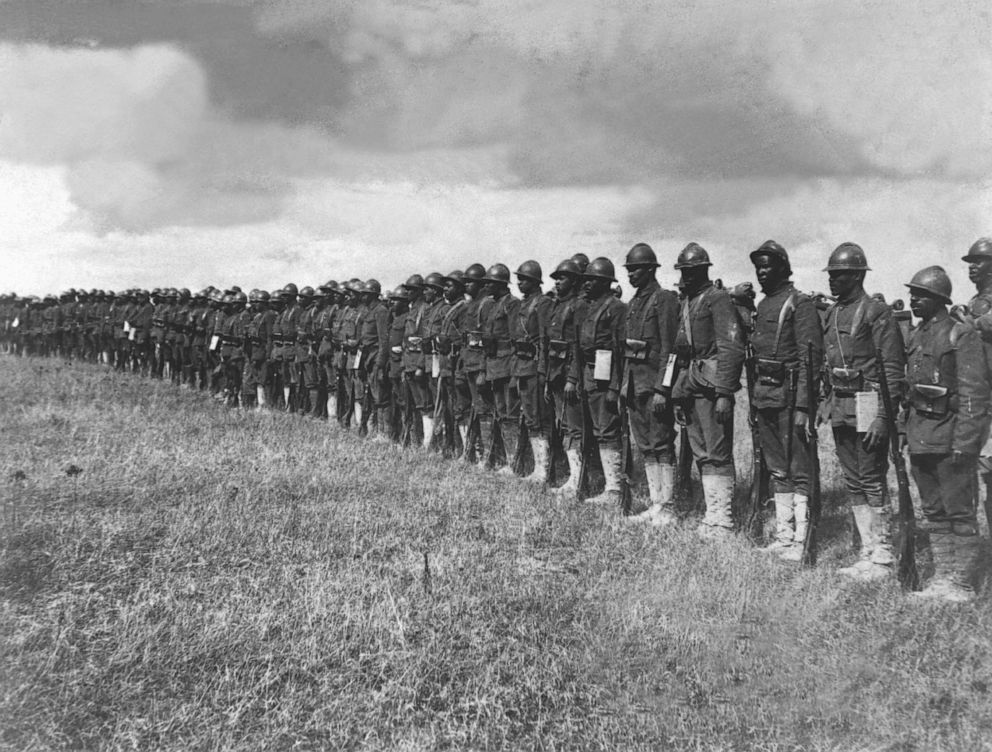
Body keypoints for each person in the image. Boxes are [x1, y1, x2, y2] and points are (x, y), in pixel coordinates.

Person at [820, 243, 906, 581]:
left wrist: (884, 416)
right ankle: (867, 550)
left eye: (839, 275)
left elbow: (892, 368)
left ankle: (883, 554)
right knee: (852, 477)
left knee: (871, 475)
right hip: (841, 400)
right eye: (831, 275)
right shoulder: (832, 313)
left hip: (868, 399)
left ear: (857, 275)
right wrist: (826, 402)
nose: (833, 281)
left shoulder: (875, 313)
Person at [903, 266, 988, 602]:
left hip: (951, 438)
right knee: (934, 511)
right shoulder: (917, 335)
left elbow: (973, 394)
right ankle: (943, 577)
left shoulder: (960, 335)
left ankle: (963, 583)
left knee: (959, 511)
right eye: (912, 293)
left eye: (920, 294)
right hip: (921, 436)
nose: (913, 299)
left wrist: (966, 443)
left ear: (939, 299)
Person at [747, 240, 824, 559]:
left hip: (791, 399)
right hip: (765, 396)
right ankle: (785, 534)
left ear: (782, 267)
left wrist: (805, 407)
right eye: (758, 267)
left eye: (767, 266)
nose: (762, 272)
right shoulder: (764, 305)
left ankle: (802, 539)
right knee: (777, 468)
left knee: (799, 468)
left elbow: (811, 360)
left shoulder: (799, 304)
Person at [671, 243, 746, 539]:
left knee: (718, 451)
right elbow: (678, 353)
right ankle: (711, 515)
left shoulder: (717, 300)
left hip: (711, 388)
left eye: (691, 271)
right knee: (702, 451)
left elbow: (731, 347)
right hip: (690, 385)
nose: (686, 276)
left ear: (704, 270)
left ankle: (723, 519)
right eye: (683, 272)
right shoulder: (687, 303)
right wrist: (676, 392)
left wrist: (725, 393)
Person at [620, 243, 681, 526]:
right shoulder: (633, 304)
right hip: (635, 387)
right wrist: (624, 385)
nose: (630, 275)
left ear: (649, 270)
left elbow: (670, 349)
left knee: (662, 443)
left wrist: (663, 389)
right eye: (629, 270)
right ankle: (657, 503)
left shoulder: (663, 299)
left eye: (635, 270)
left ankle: (668, 506)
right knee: (646, 446)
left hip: (654, 388)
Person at [572, 257, 627, 506]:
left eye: (592, 279)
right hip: (589, 374)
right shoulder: (588, 308)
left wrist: (615, 387)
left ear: (604, 282)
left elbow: (619, 350)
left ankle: (615, 489)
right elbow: (579, 348)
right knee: (595, 431)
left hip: (606, 379)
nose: (586, 283)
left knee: (607, 431)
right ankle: (601, 482)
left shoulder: (616, 309)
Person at [546, 259, 587, 496]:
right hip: (556, 375)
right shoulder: (558, 306)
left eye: (562, 278)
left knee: (575, 428)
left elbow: (577, 347)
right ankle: (574, 477)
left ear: (573, 280)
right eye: (556, 278)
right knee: (565, 427)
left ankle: (578, 480)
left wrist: (572, 378)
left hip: (570, 376)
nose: (558, 282)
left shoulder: (578, 306)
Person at [511, 260, 553, 481]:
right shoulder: (523, 304)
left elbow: (545, 339)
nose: (519, 282)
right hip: (522, 367)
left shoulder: (543, 303)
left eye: (524, 279)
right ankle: (538, 467)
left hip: (535, 367)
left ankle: (544, 470)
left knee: (540, 418)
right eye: (518, 279)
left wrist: (543, 371)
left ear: (535, 281)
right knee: (530, 418)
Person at [481, 263, 520, 471]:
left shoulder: (512, 304)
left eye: (490, 283)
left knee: (511, 415)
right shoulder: (491, 305)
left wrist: (514, 373)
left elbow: (515, 339)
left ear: (500, 284)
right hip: (494, 366)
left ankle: (514, 462)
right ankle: (506, 459)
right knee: (501, 413)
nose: (486, 286)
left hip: (507, 366)